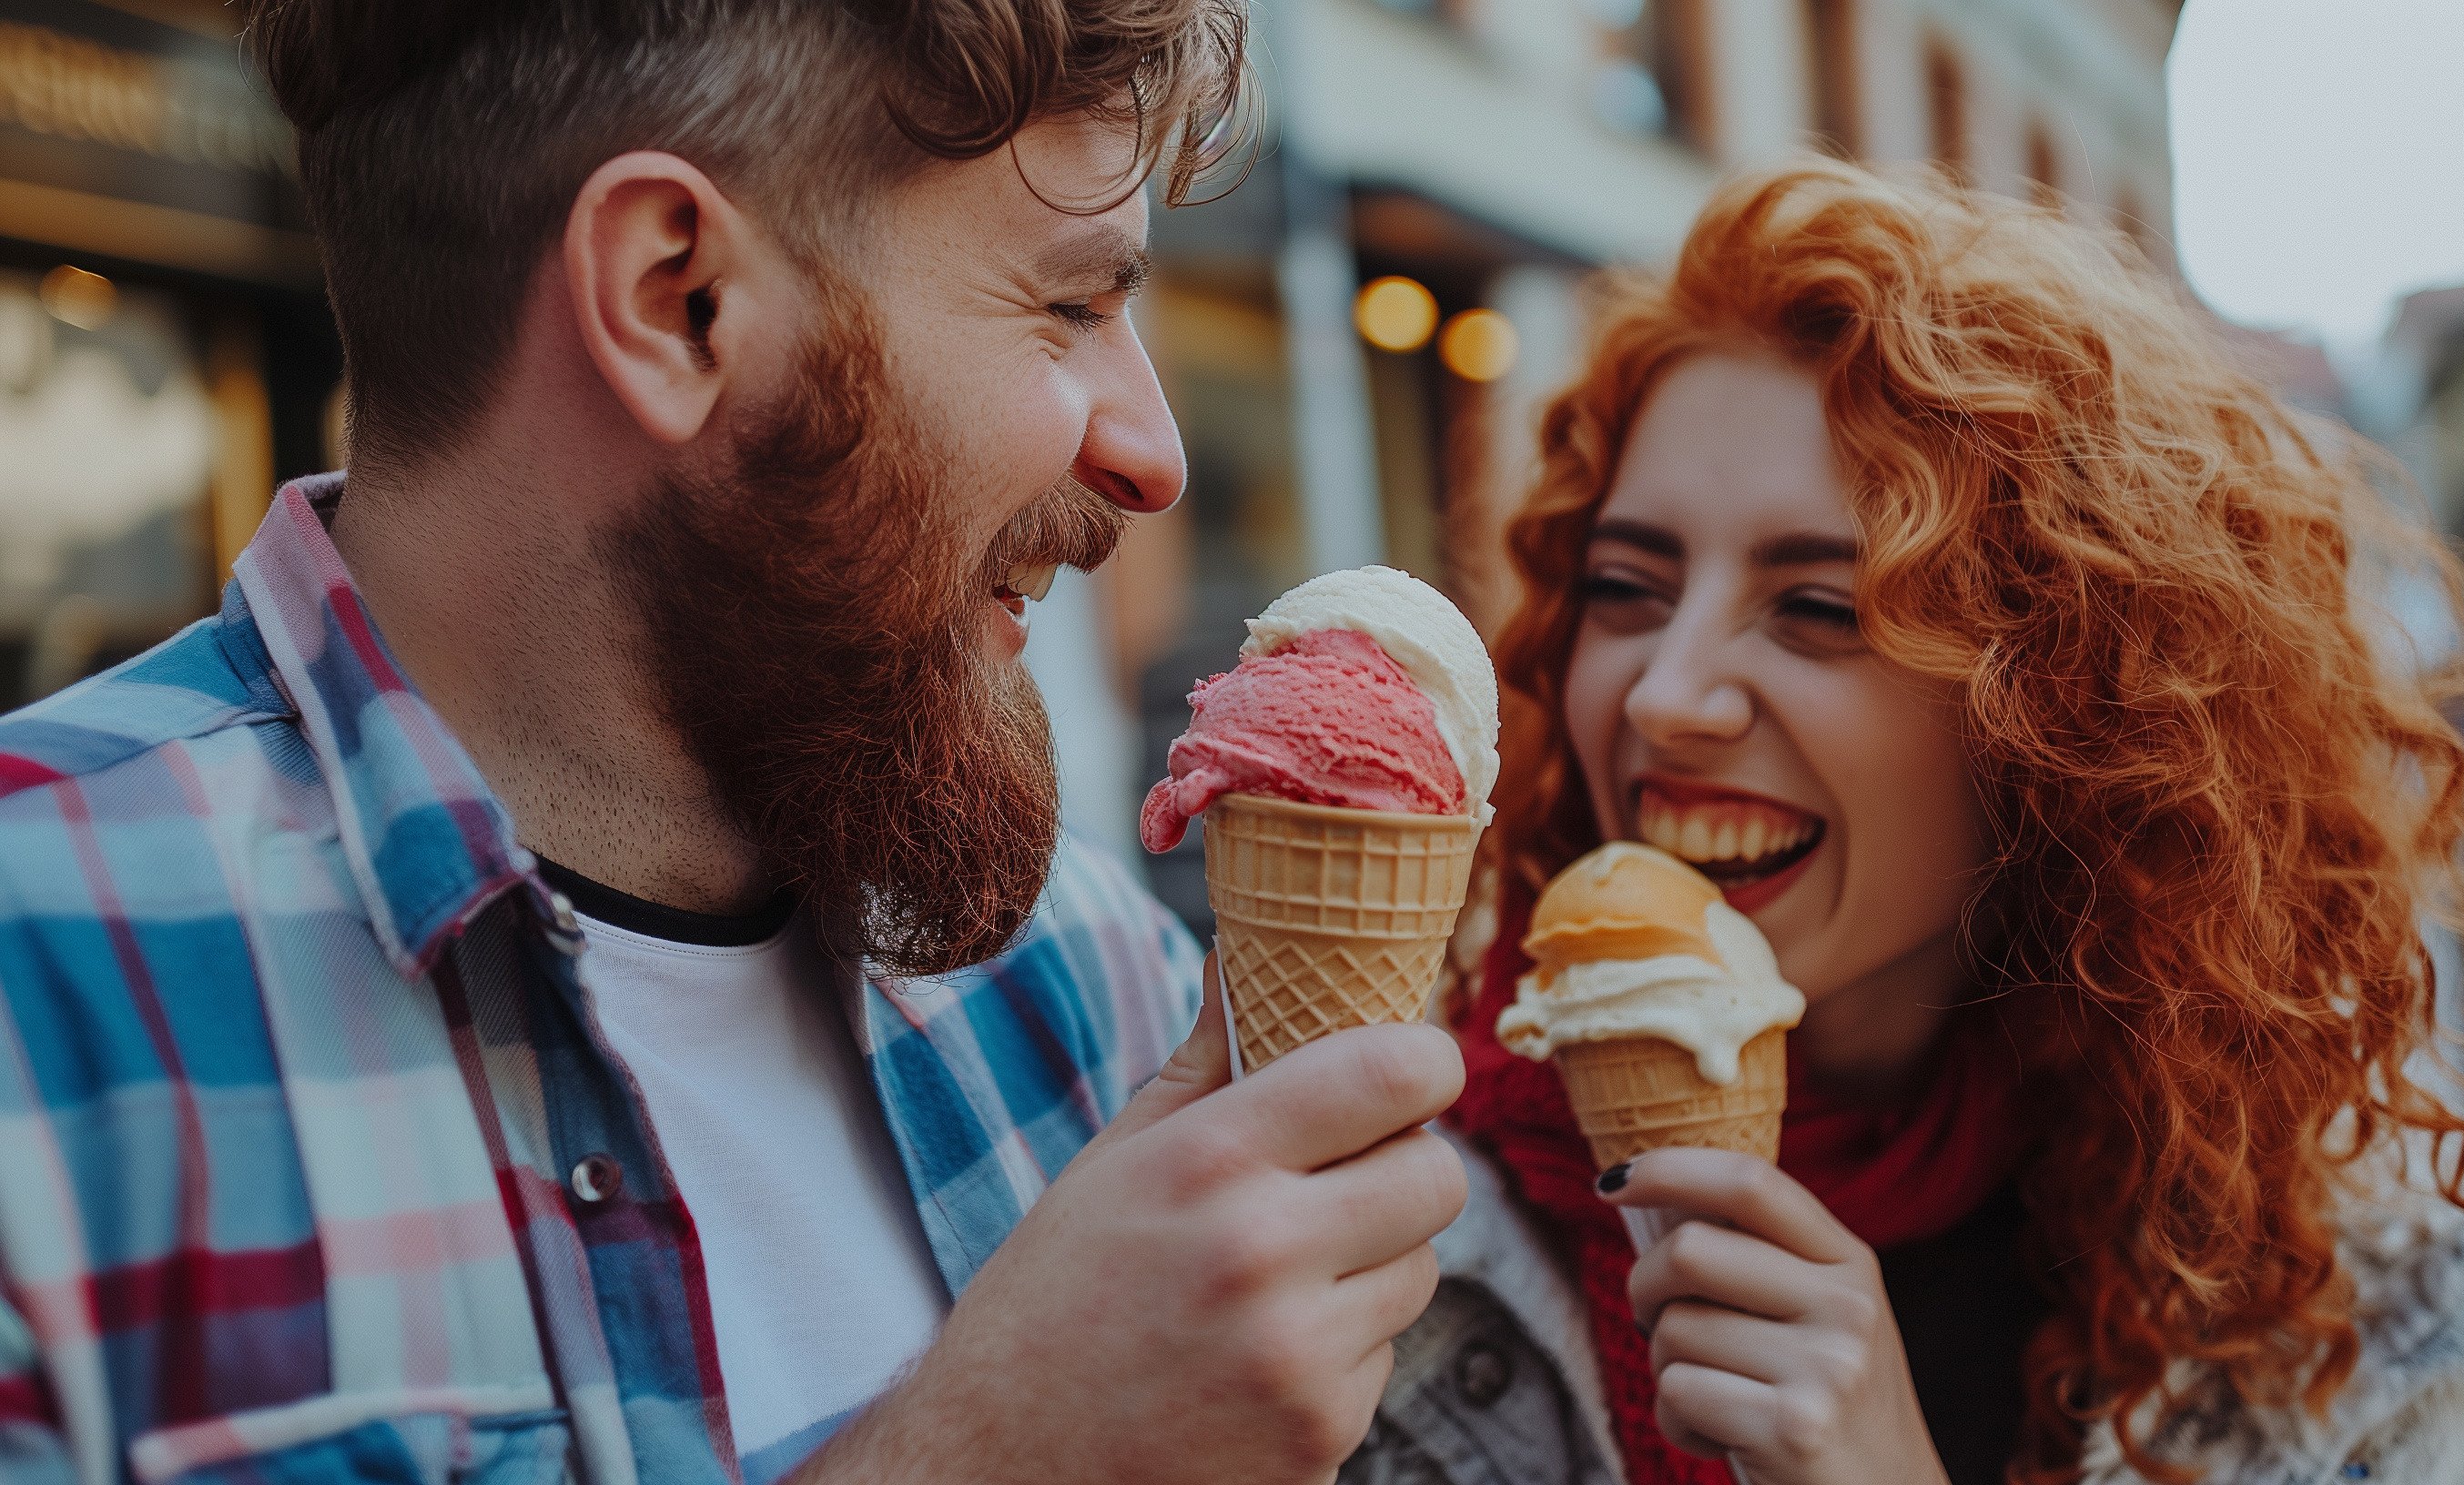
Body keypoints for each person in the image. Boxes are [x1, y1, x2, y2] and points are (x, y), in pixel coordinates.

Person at [0, 5, 1469, 1484]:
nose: (1155, 453)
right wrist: (990, 1451)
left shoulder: (1097, 983)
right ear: (675, 295)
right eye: (1069, 308)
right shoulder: (35, 1007)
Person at [1338, 163, 2464, 1485]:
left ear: (2065, 710)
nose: (1665, 696)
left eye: (1822, 610)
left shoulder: (2327, 1300)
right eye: (1624, 587)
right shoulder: (1381, 1244)